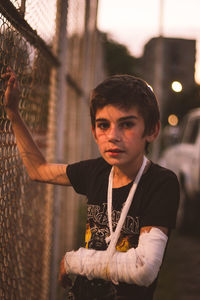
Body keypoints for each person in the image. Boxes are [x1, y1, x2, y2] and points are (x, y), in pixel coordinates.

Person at [3, 69, 179, 300]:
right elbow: (38, 170)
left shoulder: (160, 182)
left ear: (152, 130)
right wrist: (13, 113)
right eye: (103, 125)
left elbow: (143, 268)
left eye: (126, 124)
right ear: (94, 133)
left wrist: (74, 261)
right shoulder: (96, 172)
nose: (113, 136)